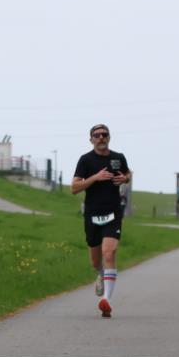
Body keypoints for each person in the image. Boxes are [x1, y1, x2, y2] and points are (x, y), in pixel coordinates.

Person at [71, 124, 131, 318]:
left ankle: (106, 300)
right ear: (91, 139)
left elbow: (128, 173)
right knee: (96, 260)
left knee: (110, 251)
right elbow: (74, 188)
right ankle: (101, 273)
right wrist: (95, 178)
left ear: (109, 137)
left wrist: (125, 179)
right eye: (97, 135)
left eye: (104, 134)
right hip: (92, 213)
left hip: (113, 212)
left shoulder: (118, 157)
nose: (101, 138)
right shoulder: (85, 160)